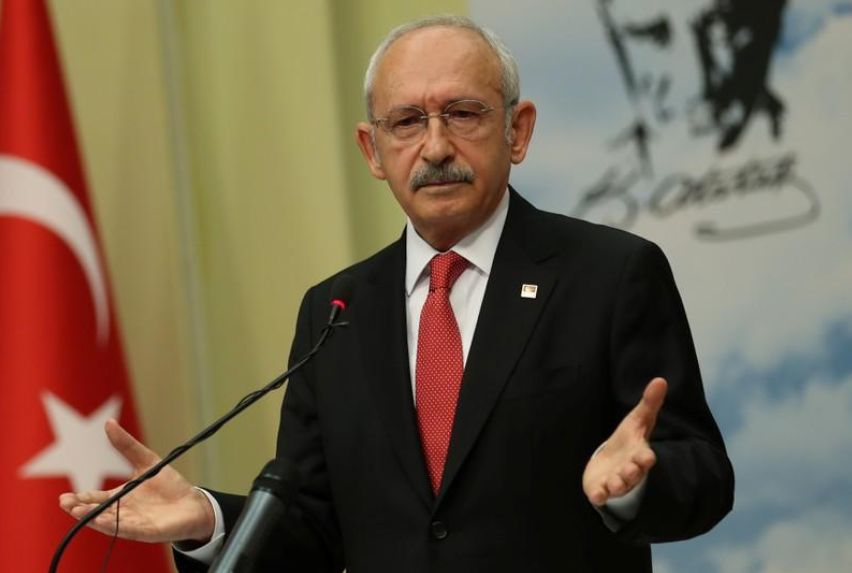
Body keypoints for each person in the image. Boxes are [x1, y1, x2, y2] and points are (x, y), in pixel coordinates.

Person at [60, 15, 733, 572]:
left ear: (518, 130)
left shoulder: (610, 274)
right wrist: (208, 520)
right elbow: (314, 529)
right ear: (372, 150)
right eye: (406, 121)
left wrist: (635, 486)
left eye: (462, 113)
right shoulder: (335, 311)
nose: (435, 147)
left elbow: (703, 476)